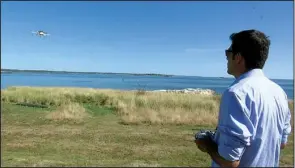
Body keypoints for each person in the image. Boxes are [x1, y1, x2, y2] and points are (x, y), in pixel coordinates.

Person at [195, 29, 292, 167]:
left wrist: (207, 144)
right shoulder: (279, 92)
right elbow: (282, 143)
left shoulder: (235, 93)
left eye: (228, 52)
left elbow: (230, 161)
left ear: (238, 57)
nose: (226, 57)